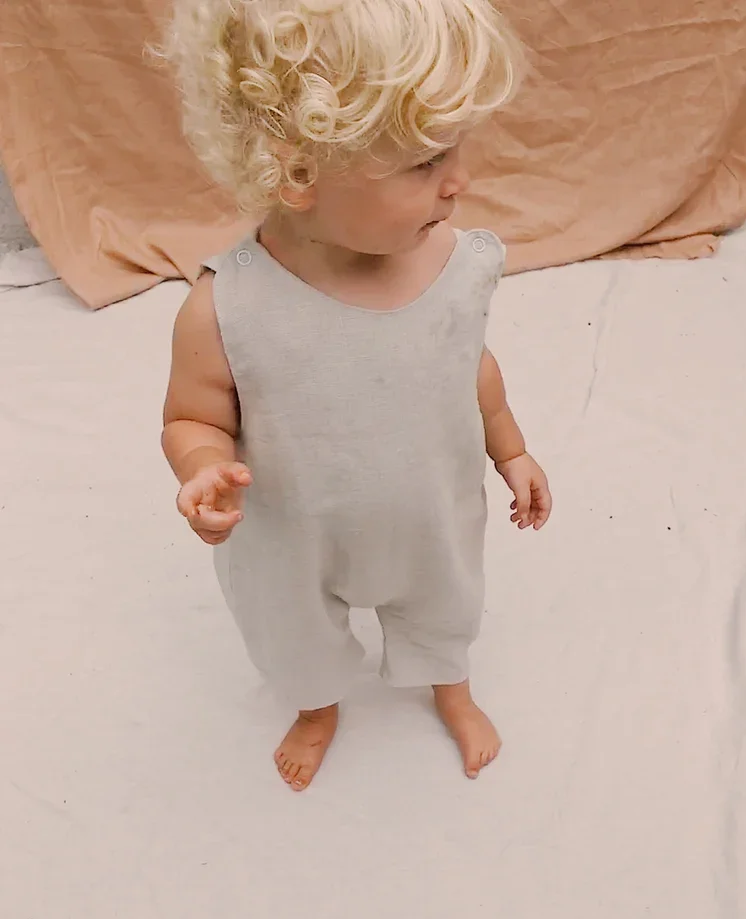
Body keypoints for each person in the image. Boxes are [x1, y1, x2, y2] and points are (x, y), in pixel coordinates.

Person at [161, 0, 552, 791]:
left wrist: (510, 450)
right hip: (291, 538)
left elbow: (470, 366)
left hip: (430, 517)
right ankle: (316, 708)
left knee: (445, 609)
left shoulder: (457, 266)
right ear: (297, 171)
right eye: (425, 162)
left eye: (456, 149)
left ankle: (450, 687)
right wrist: (202, 470)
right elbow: (193, 416)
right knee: (294, 636)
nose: (461, 181)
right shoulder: (229, 306)